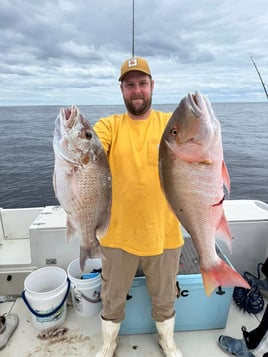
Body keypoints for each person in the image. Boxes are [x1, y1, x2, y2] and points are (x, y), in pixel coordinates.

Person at [93, 57, 184, 357]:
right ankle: (109, 342)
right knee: (112, 296)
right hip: (117, 234)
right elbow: (92, 146)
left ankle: (166, 340)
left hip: (164, 233)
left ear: (152, 86)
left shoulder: (170, 124)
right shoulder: (110, 125)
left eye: (142, 83)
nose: (137, 91)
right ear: (121, 90)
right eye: (129, 84)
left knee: (165, 295)